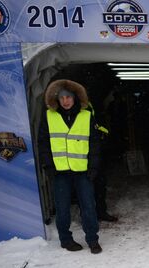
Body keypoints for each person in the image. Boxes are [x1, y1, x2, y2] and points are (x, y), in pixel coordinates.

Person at [38, 79, 102, 254]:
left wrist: (93, 167)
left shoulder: (86, 115)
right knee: (62, 207)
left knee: (88, 205)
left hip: (83, 171)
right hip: (59, 172)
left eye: (69, 97)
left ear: (75, 98)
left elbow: (95, 143)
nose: (65, 101)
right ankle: (65, 240)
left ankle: (93, 240)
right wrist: (48, 166)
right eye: (62, 97)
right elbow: (43, 143)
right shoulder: (49, 116)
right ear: (57, 99)